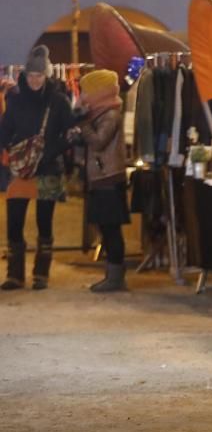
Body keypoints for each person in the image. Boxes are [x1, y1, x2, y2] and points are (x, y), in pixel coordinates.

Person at [0, 45, 74, 290]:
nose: (34, 79)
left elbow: (69, 133)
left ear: (47, 75)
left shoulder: (58, 101)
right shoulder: (16, 99)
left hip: (49, 168)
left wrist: (50, 151)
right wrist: (9, 150)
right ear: (25, 74)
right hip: (21, 169)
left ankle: (41, 274)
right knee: (14, 223)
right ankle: (15, 274)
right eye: (31, 75)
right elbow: (5, 130)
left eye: (39, 75)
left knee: (45, 223)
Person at [69, 69, 129, 292]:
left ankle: (116, 278)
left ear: (98, 92)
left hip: (108, 178)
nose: (83, 95)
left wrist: (83, 125)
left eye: (86, 90)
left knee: (111, 228)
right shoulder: (99, 113)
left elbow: (98, 142)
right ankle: (112, 275)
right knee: (106, 227)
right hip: (101, 177)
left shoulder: (110, 114)